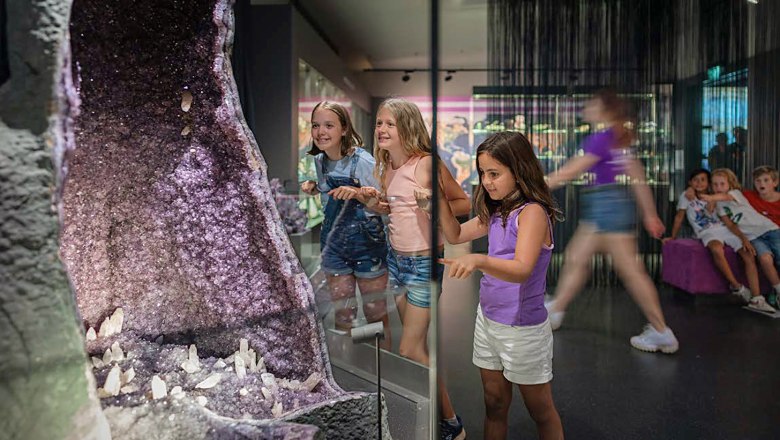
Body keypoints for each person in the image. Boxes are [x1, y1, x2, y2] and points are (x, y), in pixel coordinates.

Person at [438, 131, 564, 440]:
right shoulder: (496, 210)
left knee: (541, 411)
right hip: (489, 322)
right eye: (483, 174)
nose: (486, 181)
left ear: (519, 170)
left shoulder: (533, 212)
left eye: (494, 173)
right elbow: (454, 235)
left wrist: (479, 261)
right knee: (493, 404)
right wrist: (439, 198)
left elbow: (521, 270)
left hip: (522, 329)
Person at [364, 97, 470, 440]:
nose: (381, 129)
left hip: (423, 264)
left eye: (389, 124)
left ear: (407, 127)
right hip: (396, 262)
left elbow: (463, 201)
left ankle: (451, 421)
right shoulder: (386, 167)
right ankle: (442, 419)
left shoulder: (425, 164)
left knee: (410, 349)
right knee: (418, 348)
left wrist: (433, 205)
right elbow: (396, 212)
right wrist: (375, 206)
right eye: (379, 123)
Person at [545, 89, 678, 354]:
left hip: (604, 206)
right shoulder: (617, 138)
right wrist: (649, 213)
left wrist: (531, 185)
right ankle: (556, 311)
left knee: (627, 270)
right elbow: (638, 176)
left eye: (592, 104)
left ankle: (661, 331)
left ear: (605, 110)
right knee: (576, 258)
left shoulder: (600, 138)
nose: (587, 107)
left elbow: (570, 171)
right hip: (612, 204)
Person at [299, 102, 390, 339]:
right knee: (343, 311)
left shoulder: (363, 161)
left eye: (329, 125)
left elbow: (386, 206)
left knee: (375, 311)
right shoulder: (320, 161)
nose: (321, 132)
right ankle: (349, 371)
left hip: (366, 243)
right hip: (333, 242)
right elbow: (330, 193)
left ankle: (378, 367)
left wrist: (359, 193)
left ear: (344, 129)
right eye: (316, 125)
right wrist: (315, 187)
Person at [666, 169, 759, 305]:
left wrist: (743, 237)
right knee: (716, 248)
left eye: (703, 180)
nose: (699, 183)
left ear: (709, 183)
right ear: (690, 182)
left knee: (747, 254)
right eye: (695, 180)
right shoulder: (687, 196)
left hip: (725, 228)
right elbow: (679, 217)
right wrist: (672, 237)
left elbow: (727, 202)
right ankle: (736, 286)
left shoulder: (716, 194)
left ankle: (757, 297)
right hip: (706, 231)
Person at [693, 169, 777, 312]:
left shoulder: (735, 194)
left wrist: (712, 198)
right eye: (715, 185)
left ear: (730, 184)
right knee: (760, 256)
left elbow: (725, 197)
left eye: (722, 184)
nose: (718, 187)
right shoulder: (718, 205)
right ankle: (754, 297)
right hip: (748, 235)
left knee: (759, 256)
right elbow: (730, 224)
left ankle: (762, 295)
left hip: (768, 229)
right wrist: (743, 239)